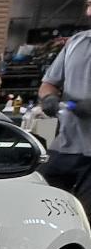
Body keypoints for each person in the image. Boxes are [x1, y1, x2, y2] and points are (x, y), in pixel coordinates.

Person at [38, 23, 91, 204]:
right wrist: (48, 98)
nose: (90, 12)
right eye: (89, 5)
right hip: (66, 146)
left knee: (85, 217)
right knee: (43, 200)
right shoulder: (77, 42)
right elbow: (49, 83)